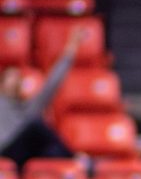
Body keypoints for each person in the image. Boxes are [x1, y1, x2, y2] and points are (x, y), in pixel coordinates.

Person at [0, 27, 84, 167]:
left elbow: (51, 86)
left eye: (18, 78)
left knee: (53, 152)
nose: (15, 81)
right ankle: (75, 158)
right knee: (36, 124)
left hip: (26, 153)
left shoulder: (29, 107)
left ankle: (73, 178)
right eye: (11, 77)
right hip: (6, 149)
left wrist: (71, 49)